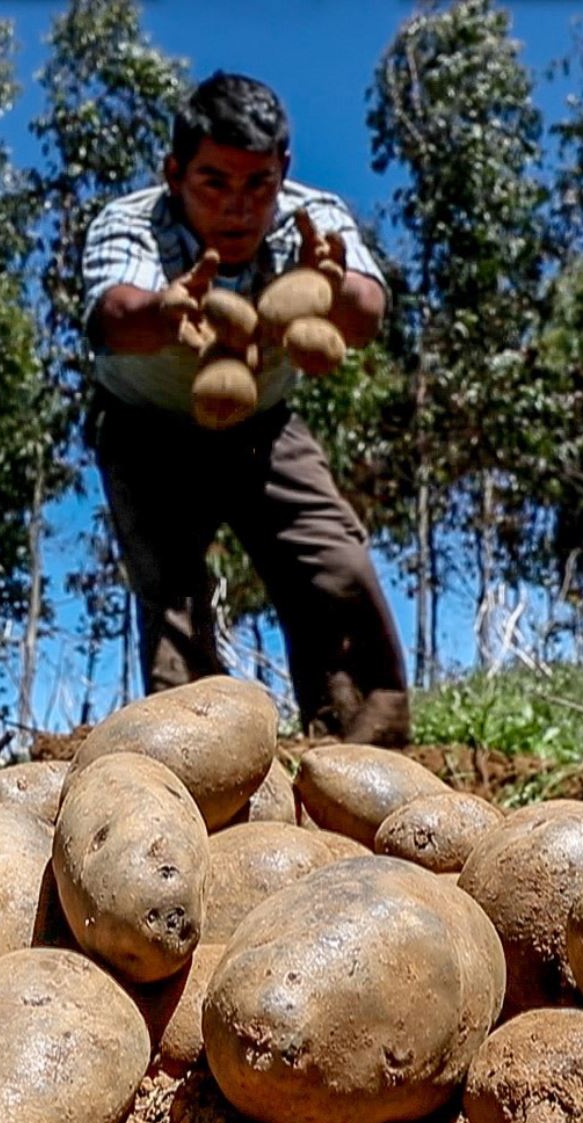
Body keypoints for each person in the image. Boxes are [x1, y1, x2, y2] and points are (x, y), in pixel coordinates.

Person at [81, 71, 410, 744]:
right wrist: (170, 309)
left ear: (281, 171)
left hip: (266, 429)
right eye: (214, 183)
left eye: (258, 184)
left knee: (337, 567)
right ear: (174, 173)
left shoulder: (312, 220)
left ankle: (368, 758)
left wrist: (324, 285)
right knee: (174, 603)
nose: (239, 207)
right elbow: (114, 317)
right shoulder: (130, 222)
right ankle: (205, 776)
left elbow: (368, 312)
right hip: (148, 434)